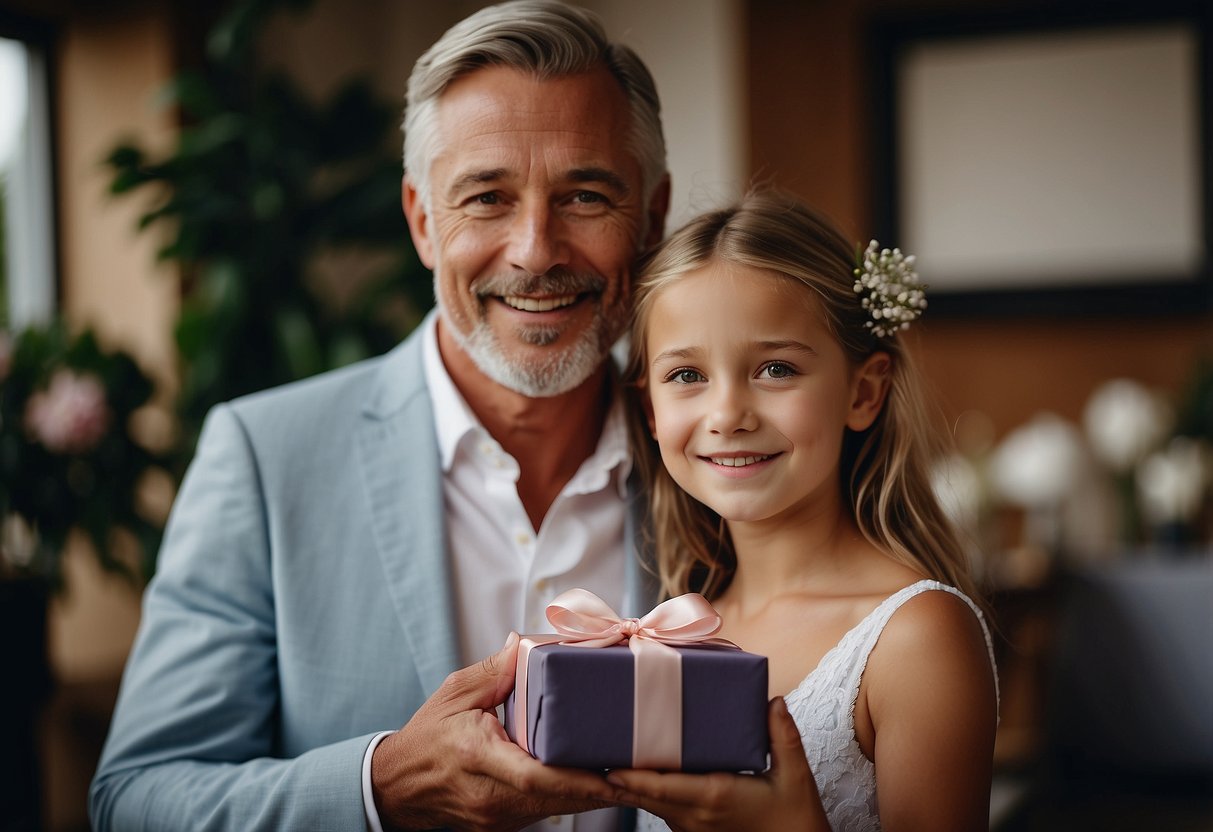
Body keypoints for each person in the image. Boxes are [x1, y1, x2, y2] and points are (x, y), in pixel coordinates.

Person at [90, 2, 670, 830]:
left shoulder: (720, 459)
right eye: (486, 198)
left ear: (650, 218)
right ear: (422, 221)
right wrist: (381, 786)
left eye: (584, 196)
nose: (536, 249)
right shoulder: (264, 458)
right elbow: (135, 800)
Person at [608, 191, 1000, 830]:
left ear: (863, 392)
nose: (729, 414)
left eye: (775, 368)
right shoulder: (675, 626)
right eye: (686, 376)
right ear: (651, 410)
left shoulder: (916, 638)